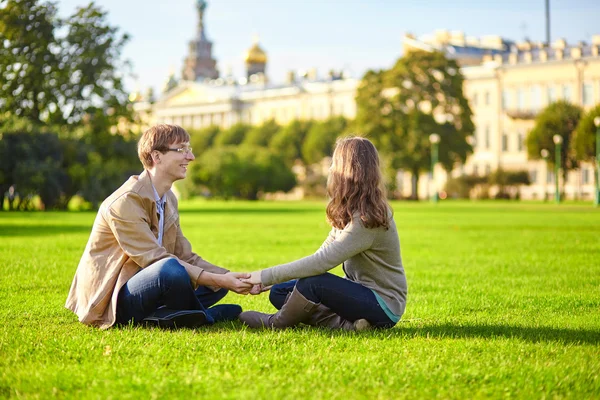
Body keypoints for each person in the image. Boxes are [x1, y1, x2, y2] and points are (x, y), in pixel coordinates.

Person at [66, 124, 253, 330]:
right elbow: (155, 259)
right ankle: (202, 316)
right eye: (182, 150)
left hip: (152, 283)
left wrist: (228, 278)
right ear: (157, 156)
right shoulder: (125, 202)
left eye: (189, 149)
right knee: (170, 270)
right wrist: (220, 279)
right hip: (115, 297)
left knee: (215, 285)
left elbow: (186, 255)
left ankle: (169, 315)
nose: (190, 157)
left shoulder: (169, 198)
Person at [239, 136, 407, 331]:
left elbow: (322, 262)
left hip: (383, 306)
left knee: (313, 283)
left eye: (334, 163)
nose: (330, 169)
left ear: (348, 170)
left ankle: (276, 323)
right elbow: (322, 253)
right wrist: (274, 281)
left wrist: (263, 276)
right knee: (280, 291)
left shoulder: (367, 218)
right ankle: (348, 326)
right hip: (362, 297)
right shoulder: (351, 211)